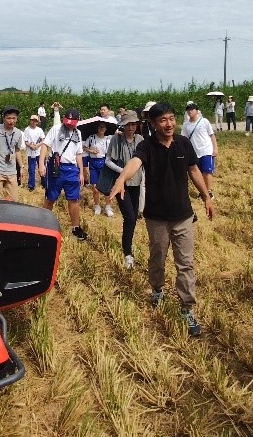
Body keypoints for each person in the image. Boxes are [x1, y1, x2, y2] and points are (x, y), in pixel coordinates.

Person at [110, 102, 213, 337]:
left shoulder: (183, 143)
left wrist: (206, 196)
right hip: (156, 217)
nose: (169, 124)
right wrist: (120, 180)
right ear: (154, 124)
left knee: (185, 263)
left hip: (183, 215)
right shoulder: (147, 146)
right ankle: (157, 288)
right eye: (163, 120)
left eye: (171, 119)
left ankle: (186, 308)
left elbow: (194, 170)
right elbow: (134, 163)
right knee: (157, 258)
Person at [39, 108, 87, 240]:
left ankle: (75, 228)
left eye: (72, 122)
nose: (69, 124)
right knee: (50, 197)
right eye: (67, 121)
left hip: (71, 169)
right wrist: (41, 164)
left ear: (77, 121)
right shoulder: (56, 129)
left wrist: (81, 172)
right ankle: (43, 225)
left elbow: (78, 154)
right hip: (56, 167)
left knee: (73, 199)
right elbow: (45, 145)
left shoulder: (78, 133)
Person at [104, 110, 144, 268]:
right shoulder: (117, 139)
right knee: (129, 217)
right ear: (123, 125)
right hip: (122, 185)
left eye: (133, 124)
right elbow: (108, 160)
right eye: (128, 124)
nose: (131, 127)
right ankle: (127, 252)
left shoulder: (140, 139)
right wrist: (124, 171)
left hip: (137, 184)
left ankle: (128, 244)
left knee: (134, 217)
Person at [181, 101, 218, 199]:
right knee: (199, 172)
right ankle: (202, 190)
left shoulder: (204, 121)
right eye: (188, 110)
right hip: (194, 152)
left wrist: (215, 148)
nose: (190, 111)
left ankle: (209, 190)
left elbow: (211, 135)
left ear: (197, 111)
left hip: (206, 150)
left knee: (207, 171)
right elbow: (183, 139)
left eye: (192, 109)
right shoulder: (186, 125)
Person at [85, 120, 113, 216]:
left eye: (103, 127)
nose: (101, 129)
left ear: (106, 129)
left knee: (106, 187)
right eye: (100, 127)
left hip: (104, 162)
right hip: (93, 163)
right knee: (95, 187)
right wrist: (91, 151)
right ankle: (97, 205)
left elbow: (110, 152)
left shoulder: (107, 140)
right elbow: (85, 147)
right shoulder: (92, 137)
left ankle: (108, 206)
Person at [23, 114, 45, 191]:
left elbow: (43, 140)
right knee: (31, 170)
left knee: (42, 167)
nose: (33, 122)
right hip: (30, 153)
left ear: (37, 122)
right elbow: (25, 141)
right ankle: (31, 185)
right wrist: (30, 145)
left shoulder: (40, 130)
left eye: (35, 121)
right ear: (30, 121)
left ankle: (44, 183)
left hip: (39, 152)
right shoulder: (27, 130)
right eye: (32, 120)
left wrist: (37, 145)